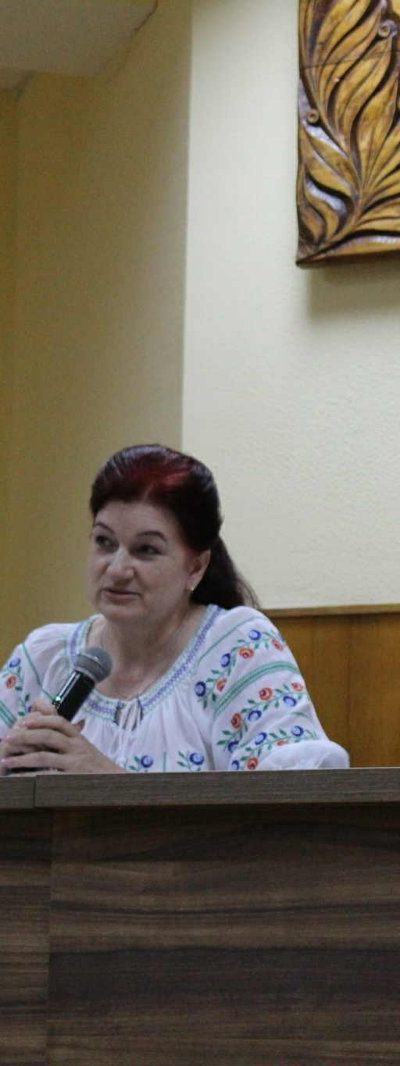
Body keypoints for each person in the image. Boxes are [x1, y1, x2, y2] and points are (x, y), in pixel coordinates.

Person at [0, 444, 349, 775]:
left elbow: (284, 804)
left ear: (195, 567)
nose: (117, 569)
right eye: (104, 542)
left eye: (146, 550)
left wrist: (104, 782)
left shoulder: (237, 649)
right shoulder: (44, 657)